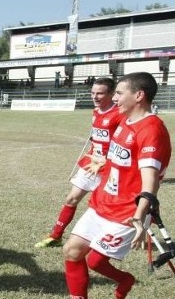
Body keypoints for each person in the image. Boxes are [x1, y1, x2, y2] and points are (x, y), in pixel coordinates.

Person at [48, 72, 171, 299]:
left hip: (126, 213)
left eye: (119, 93)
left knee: (94, 261)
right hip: (102, 203)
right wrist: (104, 162)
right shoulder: (125, 121)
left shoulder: (152, 129)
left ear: (138, 96)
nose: (114, 98)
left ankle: (125, 279)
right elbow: (124, 160)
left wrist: (140, 215)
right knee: (72, 251)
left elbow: (151, 178)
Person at [36, 78, 124, 248]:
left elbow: (123, 143)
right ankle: (56, 236)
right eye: (93, 93)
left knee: (107, 208)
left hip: (109, 168)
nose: (95, 96)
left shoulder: (119, 114)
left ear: (111, 94)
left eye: (100, 93)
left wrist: (106, 159)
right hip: (91, 164)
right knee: (71, 199)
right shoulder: (96, 111)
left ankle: (130, 234)